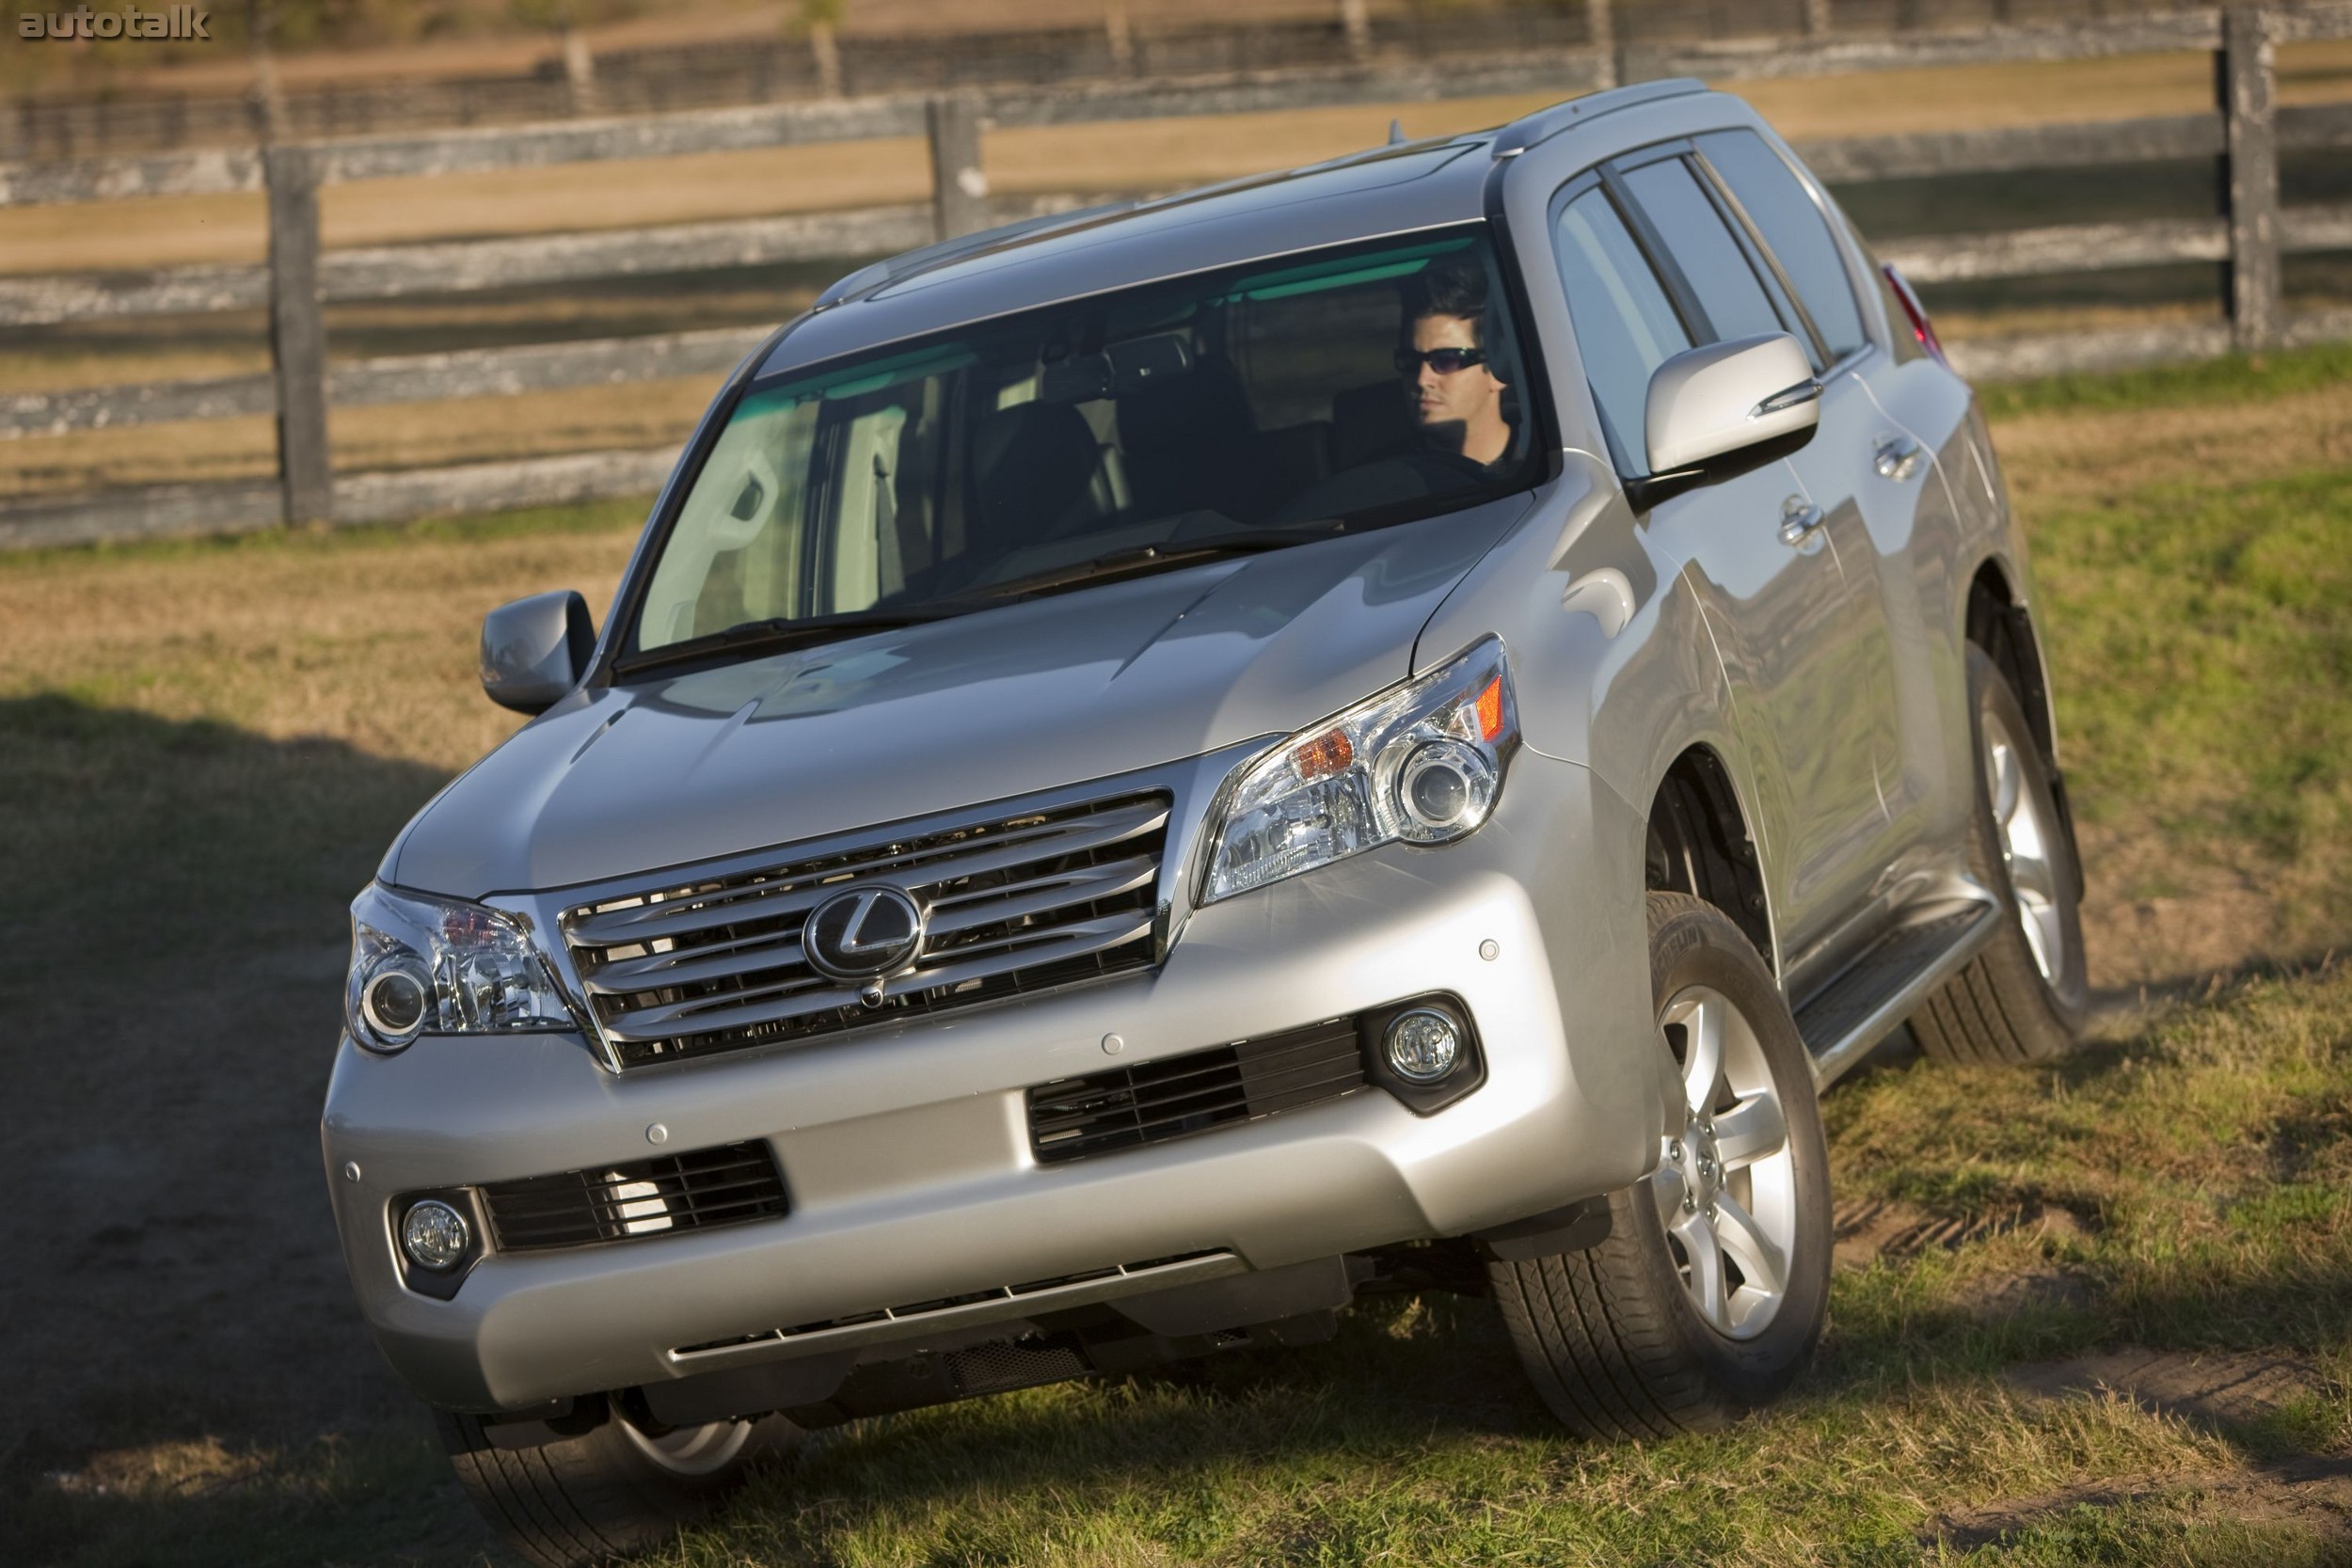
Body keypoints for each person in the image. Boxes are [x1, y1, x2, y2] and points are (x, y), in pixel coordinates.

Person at [1398, 258, 1515, 468]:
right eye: (1410, 361)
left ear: (1497, 371)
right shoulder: (1387, 482)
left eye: (1447, 360)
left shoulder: (1555, 462)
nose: (1422, 379)